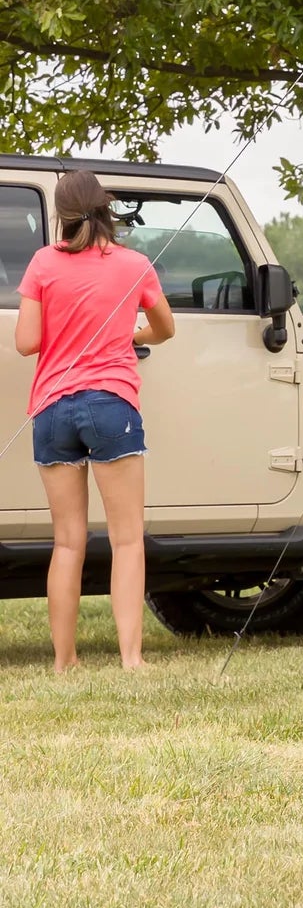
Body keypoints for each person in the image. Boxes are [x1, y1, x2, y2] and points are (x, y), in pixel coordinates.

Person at [14, 171, 175, 672]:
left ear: (61, 214)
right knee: (127, 538)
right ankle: (131, 659)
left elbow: (26, 341)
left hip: (52, 409)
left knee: (67, 542)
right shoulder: (133, 264)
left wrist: (63, 328)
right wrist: (128, 336)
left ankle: (65, 662)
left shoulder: (43, 262)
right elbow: (166, 327)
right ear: (106, 207)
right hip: (110, 404)